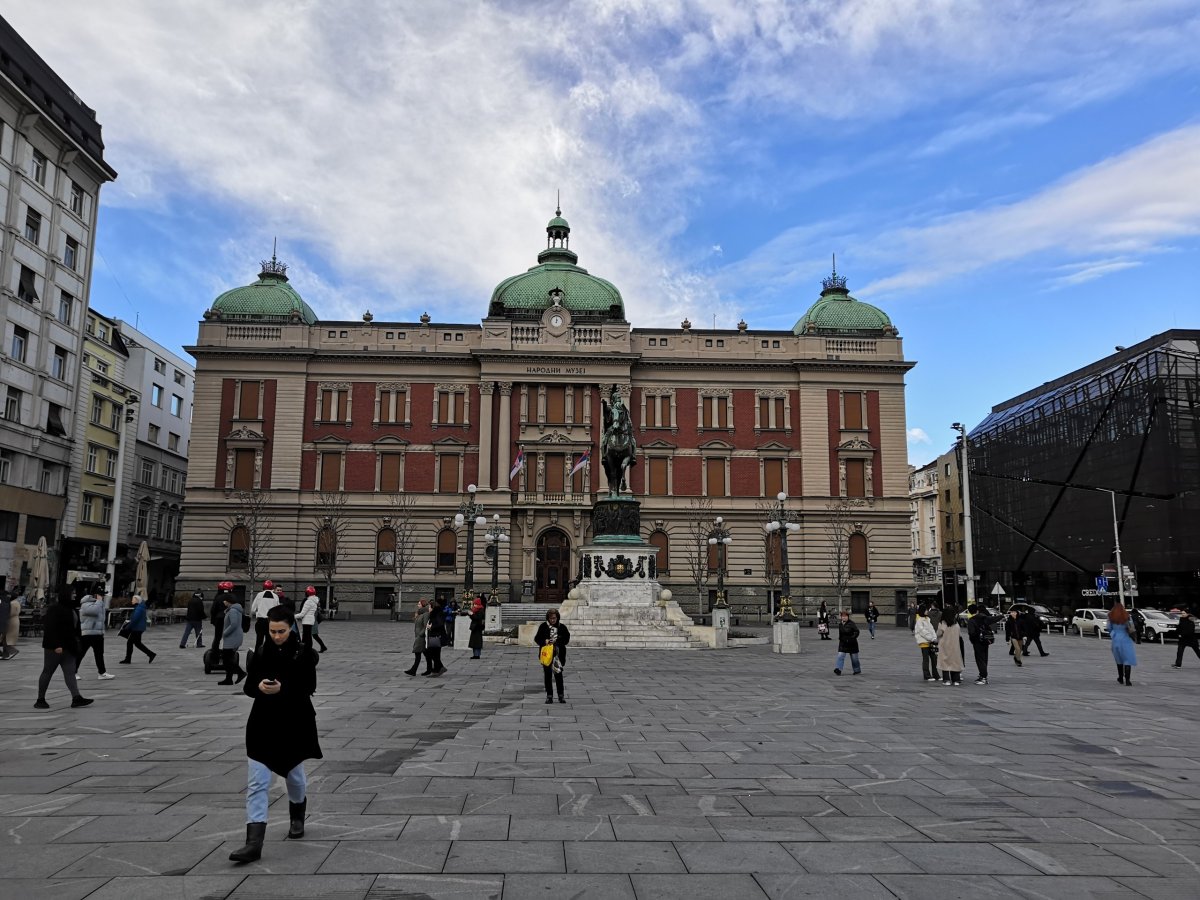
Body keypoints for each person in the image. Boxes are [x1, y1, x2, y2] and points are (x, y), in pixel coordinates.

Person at [229, 605, 322, 864]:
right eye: (272, 631)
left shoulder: (304, 653)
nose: (276, 636)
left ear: (291, 626)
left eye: (281, 631)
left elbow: (310, 686)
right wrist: (258, 686)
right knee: (257, 782)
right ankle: (253, 843)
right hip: (263, 723)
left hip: (294, 723)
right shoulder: (259, 652)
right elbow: (248, 686)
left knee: (294, 775)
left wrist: (284, 688)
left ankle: (297, 815)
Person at [35, 589, 92, 709]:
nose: (75, 594)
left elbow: (75, 628)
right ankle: (40, 699)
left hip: (69, 647)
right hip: (55, 647)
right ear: (66, 594)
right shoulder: (54, 609)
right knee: (48, 671)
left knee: (70, 672)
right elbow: (50, 628)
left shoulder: (72, 608)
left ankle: (76, 698)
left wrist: (78, 642)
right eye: (73, 593)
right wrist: (56, 645)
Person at [535, 608, 571, 703]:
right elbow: (537, 639)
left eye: (554, 618)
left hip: (558, 656)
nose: (552, 620)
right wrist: (545, 641)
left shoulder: (562, 627)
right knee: (547, 676)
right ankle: (549, 695)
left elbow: (566, 639)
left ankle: (561, 695)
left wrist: (557, 640)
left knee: (558, 675)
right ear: (548, 618)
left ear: (557, 618)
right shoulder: (543, 626)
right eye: (551, 618)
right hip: (547, 656)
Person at [78, 585, 113, 680]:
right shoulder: (86, 603)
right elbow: (94, 611)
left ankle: (102, 673)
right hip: (88, 633)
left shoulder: (99, 603)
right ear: (96, 595)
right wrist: (99, 601)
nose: (103, 597)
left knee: (99, 654)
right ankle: (72, 672)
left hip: (98, 633)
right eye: (101, 595)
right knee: (81, 653)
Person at [218, 594, 247, 685]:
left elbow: (233, 624)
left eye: (224, 600)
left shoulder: (233, 611)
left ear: (228, 601)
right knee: (228, 658)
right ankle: (229, 679)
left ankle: (241, 673)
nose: (223, 602)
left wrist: (225, 633)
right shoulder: (233, 610)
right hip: (233, 637)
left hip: (232, 637)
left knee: (227, 659)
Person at [120, 595, 156, 665]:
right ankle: (150, 654)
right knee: (137, 643)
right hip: (139, 628)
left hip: (137, 628)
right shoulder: (139, 607)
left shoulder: (139, 608)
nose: (132, 601)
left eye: (133, 599)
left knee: (131, 643)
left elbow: (134, 620)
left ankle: (128, 659)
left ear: (137, 600)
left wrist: (128, 627)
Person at [1108, 602, 1138, 686]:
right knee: (1127, 659)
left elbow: (1108, 628)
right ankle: (1128, 680)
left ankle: (1120, 677)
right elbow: (1131, 628)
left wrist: (1113, 634)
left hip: (1116, 639)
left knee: (1119, 660)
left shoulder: (1110, 616)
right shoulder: (1127, 616)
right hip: (1126, 639)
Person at [966, 603, 994, 685]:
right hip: (986, 641)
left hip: (977, 642)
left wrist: (974, 638)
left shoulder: (971, 620)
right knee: (985, 658)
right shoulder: (983, 618)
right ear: (977, 610)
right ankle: (982, 675)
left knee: (980, 660)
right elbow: (992, 621)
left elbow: (971, 633)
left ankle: (983, 677)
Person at [937, 608, 964, 685]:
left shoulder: (943, 623)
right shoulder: (956, 624)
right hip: (955, 646)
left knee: (945, 662)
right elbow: (959, 635)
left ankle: (946, 680)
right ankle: (956, 680)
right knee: (954, 662)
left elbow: (939, 633)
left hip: (944, 645)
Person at [250, 581, 278, 653]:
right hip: (271, 622)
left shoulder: (259, 595)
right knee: (269, 642)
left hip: (261, 621)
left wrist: (258, 613)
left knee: (259, 641)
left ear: (263, 587)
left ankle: (257, 659)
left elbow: (253, 609)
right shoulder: (275, 596)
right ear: (272, 587)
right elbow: (278, 610)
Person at [913, 605, 939, 681]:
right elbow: (923, 632)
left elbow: (932, 629)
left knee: (934, 658)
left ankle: (935, 674)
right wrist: (932, 638)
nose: (927, 611)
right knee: (926, 659)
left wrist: (934, 637)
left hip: (931, 641)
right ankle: (927, 675)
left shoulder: (927, 619)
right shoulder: (919, 620)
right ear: (922, 611)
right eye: (926, 610)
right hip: (924, 642)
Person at [423, 599, 447, 676]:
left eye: (430, 607)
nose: (428, 609)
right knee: (434, 654)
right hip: (434, 636)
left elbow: (440, 624)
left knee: (433, 654)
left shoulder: (436, 614)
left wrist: (431, 626)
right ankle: (437, 669)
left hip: (437, 637)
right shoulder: (435, 614)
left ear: (433, 608)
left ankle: (439, 669)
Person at [834, 610, 861, 675]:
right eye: (842, 616)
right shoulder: (840, 624)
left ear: (848, 617)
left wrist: (852, 638)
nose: (844, 618)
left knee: (854, 659)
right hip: (843, 643)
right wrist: (840, 639)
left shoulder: (852, 623)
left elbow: (857, 631)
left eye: (845, 616)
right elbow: (840, 633)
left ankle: (857, 670)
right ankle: (838, 669)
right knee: (840, 656)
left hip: (852, 643)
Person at [406, 599, 429, 676]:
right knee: (426, 654)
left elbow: (425, 625)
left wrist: (420, 634)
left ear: (423, 605)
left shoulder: (425, 614)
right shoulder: (419, 613)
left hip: (421, 637)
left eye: (419, 604)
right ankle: (430, 669)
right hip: (418, 636)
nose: (417, 605)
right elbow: (418, 624)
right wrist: (416, 617)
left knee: (417, 653)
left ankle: (413, 670)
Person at [210, 582, 231, 652]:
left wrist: (213, 620)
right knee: (228, 636)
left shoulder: (218, 597)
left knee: (217, 637)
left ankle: (214, 651)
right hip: (229, 618)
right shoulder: (232, 596)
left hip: (219, 619)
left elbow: (213, 610)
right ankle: (227, 651)